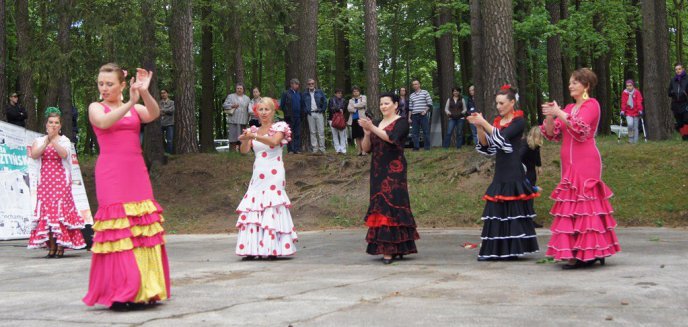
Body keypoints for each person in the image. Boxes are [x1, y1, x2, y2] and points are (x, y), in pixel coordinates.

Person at [83, 63, 170, 309]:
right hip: (111, 174)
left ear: (122, 84)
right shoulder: (95, 107)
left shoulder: (134, 106)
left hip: (136, 172)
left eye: (109, 84)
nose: (104, 88)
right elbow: (103, 123)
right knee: (117, 229)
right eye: (101, 83)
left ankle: (145, 289)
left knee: (142, 227)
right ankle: (121, 291)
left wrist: (143, 92)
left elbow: (153, 114)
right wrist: (129, 103)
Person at [541, 68, 621, 269]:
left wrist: (560, 112)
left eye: (575, 82)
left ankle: (591, 251)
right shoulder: (569, 106)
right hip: (568, 162)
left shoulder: (591, 105)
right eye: (570, 83)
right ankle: (575, 251)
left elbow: (580, 129)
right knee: (570, 207)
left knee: (586, 205)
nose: (571, 86)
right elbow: (553, 134)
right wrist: (551, 116)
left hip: (586, 160)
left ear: (586, 85)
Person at [467, 85, 539, 261]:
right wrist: (479, 128)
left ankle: (512, 249)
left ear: (512, 102)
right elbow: (489, 148)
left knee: (512, 210)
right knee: (496, 210)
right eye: (497, 103)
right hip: (500, 170)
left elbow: (503, 142)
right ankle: (496, 249)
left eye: (502, 103)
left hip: (514, 170)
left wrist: (484, 123)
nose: (498, 106)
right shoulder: (498, 123)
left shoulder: (518, 121)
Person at [358, 92, 419, 265]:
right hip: (377, 170)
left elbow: (391, 138)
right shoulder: (376, 123)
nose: (383, 106)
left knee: (393, 205)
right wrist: (367, 134)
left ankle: (392, 250)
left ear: (395, 105)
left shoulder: (401, 122)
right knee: (379, 206)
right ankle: (385, 247)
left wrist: (372, 128)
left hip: (395, 170)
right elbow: (365, 149)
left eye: (386, 103)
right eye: (381, 104)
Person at [235, 97, 297, 259]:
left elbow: (274, 141)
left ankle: (272, 248)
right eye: (260, 110)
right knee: (254, 205)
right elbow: (244, 151)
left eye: (266, 109)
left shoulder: (280, 127)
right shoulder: (254, 130)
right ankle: (252, 248)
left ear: (273, 111)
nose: (263, 113)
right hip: (258, 172)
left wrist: (253, 136)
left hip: (274, 171)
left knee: (271, 204)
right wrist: (245, 139)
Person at [27, 107, 86, 257]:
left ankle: (61, 246)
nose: (53, 125)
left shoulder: (64, 140)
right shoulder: (39, 140)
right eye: (51, 122)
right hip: (45, 181)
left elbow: (64, 154)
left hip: (60, 181)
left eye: (56, 123)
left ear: (60, 126)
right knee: (48, 214)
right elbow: (34, 154)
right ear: (46, 125)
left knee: (59, 212)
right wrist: (47, 140)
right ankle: (51, 247)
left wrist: (54, 140)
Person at [521, 126, 544, 228]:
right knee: (526, 195)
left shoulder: (536, 145)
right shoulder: (525, 145)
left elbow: (537, 154)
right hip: (524, 172)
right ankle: (525, 220)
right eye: (540, 136)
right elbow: (518, 159)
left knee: (530, 197)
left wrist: (539, 165)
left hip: (531, 171)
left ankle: (529, 219)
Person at [223, 83, 251, 151]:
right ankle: (232, 152)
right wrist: (232, 106)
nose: (239, 90)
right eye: (238, 88)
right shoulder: (230, 96)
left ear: (243, 90)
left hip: (243, 121)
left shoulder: (247, 98)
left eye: (240, 88)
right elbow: (224, 105)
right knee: (233, 138)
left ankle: (242, 152)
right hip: (233, 120)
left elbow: (249, 109)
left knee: (242, 138)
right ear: (236, 89)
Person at [302, 78, 327, 154]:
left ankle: (322, 149)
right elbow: (303, 104)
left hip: (319, 113)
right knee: (312, 132)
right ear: (307, 85)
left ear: (314, 84)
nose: (311, 85)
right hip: (310, 114)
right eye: (309, 84)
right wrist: (307, 111)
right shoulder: (305, 94)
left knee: (321, 132)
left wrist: (322, 110)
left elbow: (325, 101)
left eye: (312, 83)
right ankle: (315, 149)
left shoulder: (320, 92)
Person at [409, 79, 433, 150]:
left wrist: (425, 111)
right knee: (414, 133)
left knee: (426, 131)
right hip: (414, 116)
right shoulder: (411, 95)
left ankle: (427, 147)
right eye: (413, 84)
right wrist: (409, 117)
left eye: (416, 84)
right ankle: (416, 147)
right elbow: (410, 108)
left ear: (419, 85)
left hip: (423, 115)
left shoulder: (425, 92)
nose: (415, 85)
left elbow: (429, 103)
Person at [280, 79, 303, 154]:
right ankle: (290, 149)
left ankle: (296, 149)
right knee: (290, 133)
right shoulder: (286, 93)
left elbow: (301, 104)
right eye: (295, 84)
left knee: (297, 133)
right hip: (289, 116)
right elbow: (282, 105)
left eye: (297, 84)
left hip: (298, 116)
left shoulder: (299, 93)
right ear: (291, 84)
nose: (296, 85)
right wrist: (286, 114)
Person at [668, 63, 688, 140]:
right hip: (675, 104)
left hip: (685, 103)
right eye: (676, 69)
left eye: (679, 69)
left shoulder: (687, 78)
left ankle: (686, 136)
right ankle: (684, 137)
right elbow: (669, 93)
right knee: (679, 122)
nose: (678, 71)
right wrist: (672, 92)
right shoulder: (673, 80)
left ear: (683, 69)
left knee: (686, 120)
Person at [620, 80, 644, 144]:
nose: (629, 87)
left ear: (633, 86)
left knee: (635, 127)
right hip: (628, 112)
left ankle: (635, 141)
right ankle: (631, 138)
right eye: (627, 86)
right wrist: (622, 110)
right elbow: (623, 102)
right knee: (630, 125)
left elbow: (639, 101)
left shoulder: (637, 92)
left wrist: (640, 110)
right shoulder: (624, 93)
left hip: (636, 112)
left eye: (630, 86)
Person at [348, 86, 368, 156]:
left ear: (359, 92)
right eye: (354, 91)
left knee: (362, 135)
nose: (355, 92)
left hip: (362, 119)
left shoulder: (363, 97)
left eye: (357, 91)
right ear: (352, 93)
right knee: (356, 136)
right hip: (353, 119)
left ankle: (364, 150)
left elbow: (363, 104)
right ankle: (359, 151)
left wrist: (354, 106)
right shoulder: (351, 100)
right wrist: (356, 108)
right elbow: (349, 109)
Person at [328, 88, 348, 154]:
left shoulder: (344, 100)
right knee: (335, 135)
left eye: (341, 93)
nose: (340, 94)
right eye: (338, 93)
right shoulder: (331, 100)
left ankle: (343, 150)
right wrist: (339, 109)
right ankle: (338, 149)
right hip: (332, 119)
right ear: (335, 94)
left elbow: (344, 110)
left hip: (341, 119)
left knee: (342, 134)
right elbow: (330, 109)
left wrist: (337, 109)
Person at [159, 89, 175, 153]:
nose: (163, 94)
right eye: (162, 93)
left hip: (169, 123)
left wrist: (162, 110)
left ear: (167, 94)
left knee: (169, 140)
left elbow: (171, 111)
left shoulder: (172, 102)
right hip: (161, 123)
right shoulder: (159, 102)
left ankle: (169, 155)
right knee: (160, 140)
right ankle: (162, 154)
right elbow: (157, 111)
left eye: (164, 93)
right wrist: (166, 110)